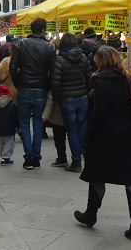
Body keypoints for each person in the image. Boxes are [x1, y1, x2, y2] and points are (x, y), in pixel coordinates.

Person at [74, 46, 131, 242]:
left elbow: (100, 114)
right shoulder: (129, 80)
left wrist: (91, 134)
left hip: (106, 136)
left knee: (98, 175)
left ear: (100, 61)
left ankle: (90, 214)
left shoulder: (100, 83)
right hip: (129, 135)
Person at [9, 18, 57, 170]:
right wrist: (47, 84)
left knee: (24, 123)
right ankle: (36, 157)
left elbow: (13, 67)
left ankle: (28, 156)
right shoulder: (49, 47)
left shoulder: (22, 44)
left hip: (24, 87)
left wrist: (18, 83)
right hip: (40, 88)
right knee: (38, 124)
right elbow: (54, 70)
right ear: (43, 30)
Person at [51, 33, 93, 173]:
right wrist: (86, 92)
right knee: (80, 128)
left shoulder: (60, 60)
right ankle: (81, 155)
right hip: (82, 98)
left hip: (67, 99)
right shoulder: (83, 57)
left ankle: (76, 161)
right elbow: (89, 78)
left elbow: (56, 82)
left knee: (72, 130)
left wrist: (56, 98)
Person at [0, 84, 19, 165]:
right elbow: (16, 117)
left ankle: (3, 155)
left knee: (1, 143)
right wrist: (19, 126)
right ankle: (6, 158)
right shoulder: (12, 105)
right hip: (9, 128)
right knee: (9, 143)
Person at [0, 38, 19, 104]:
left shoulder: (7, 61)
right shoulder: (27, 60)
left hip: (8, 92)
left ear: (11, 49)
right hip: (24, 92)